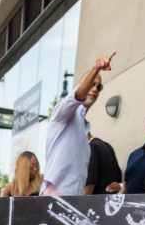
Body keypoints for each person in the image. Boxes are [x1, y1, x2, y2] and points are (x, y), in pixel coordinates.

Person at [41, 52, 115, 196]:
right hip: (53, 197)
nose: (94, 89)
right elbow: (78, 96)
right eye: (92, 84)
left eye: (99, 87)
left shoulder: (84, 131)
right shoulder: (62, 113)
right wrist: (96, 69)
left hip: (72, 203)